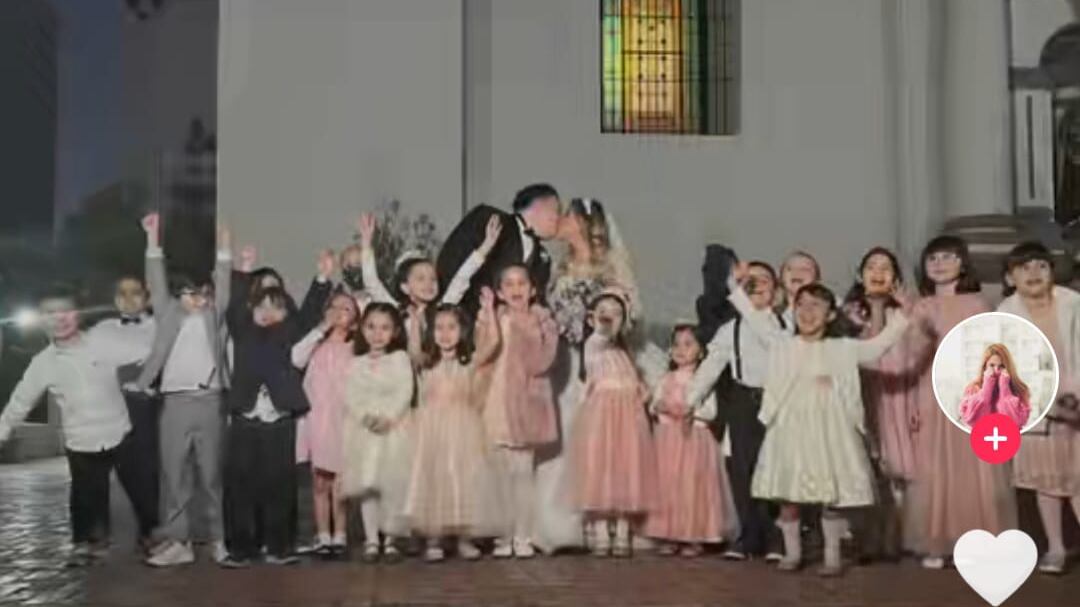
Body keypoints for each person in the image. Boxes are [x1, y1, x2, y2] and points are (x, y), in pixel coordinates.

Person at [728, 263, 911, 577]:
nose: (807, 312)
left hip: (829, 430)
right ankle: (793, 552)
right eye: (801, 305)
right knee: (789, 493)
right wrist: (737, 287)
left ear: (830, 315)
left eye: (816, 306)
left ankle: (832, 554)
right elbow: (754, 319)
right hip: (790, 428)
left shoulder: (842, 348)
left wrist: (903, 315)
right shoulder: (782, 343)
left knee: (830, 494)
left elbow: (878, 347)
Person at [0, 285, 154, 566]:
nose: (59, 318)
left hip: (120, 432)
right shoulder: (42, 364)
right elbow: (20, 401)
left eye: (65, 310)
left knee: (142, 490)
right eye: (50, 312)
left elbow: (147, 347)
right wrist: (2, 432)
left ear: (78, 315)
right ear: (42, 319)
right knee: (85, 497)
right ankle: (88, 542)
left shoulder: (102, 342)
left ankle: (150, 535)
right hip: (81, 441)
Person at [904, 235, 1016, 569]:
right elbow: (911, 357)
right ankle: (937, 542)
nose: (939, 264)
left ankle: (979, 541)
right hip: (930, 391)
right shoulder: (920, 307)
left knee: (976, 468)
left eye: (948, 257)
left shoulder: (978, 304)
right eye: (932, 258)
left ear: (962, 263)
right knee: (935, 466)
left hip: (971, 392)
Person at [219, 248, 332, 568]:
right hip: (245, 418)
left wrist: (322, 277)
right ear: (250, 309)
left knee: (280, 485)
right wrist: (243, 269)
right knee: (240, 484)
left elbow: (309, 315)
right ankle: (241, 548)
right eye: (261, 306)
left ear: (287, 313)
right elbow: (234, 309)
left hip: (279, 420)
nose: (268, 312)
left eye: (276, 307)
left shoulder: (289, 333)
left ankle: (279, 546)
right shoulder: (243, 332)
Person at [134, 213, 234, 567]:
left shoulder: (214, 316)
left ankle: (220, 540)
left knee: (212, 477)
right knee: (174, 476)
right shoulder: (168, 313)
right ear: (180, 294)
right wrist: (152, 240)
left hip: (209, 402)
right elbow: (155, 281)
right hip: (174, 404)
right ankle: (180, 543)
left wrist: (224, 249)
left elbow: (223, 284)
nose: (197, 299)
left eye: (202, 293)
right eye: (190, 293)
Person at [686, 261, 784, 562]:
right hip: (743, 400)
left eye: (763, 280)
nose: (755, 285)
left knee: (772, 469)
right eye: (749, 281)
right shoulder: (731, 329)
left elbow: (772, 342)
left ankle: (774, 537)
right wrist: (691, 399)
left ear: (776, 292)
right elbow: (712, 364)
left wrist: (737, 294)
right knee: (742, 470)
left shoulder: (783, 324)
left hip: (776, 399)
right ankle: (748, 535)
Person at [403, 297, 506, 561]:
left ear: (462, 331)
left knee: (464, 480)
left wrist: (488, 310)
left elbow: (493, 343)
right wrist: (416, 322)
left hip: (464, 429)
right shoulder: (426, 362)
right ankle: (434, 538)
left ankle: (464, 537)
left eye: (452, 327)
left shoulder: (468, 362)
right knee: (434, 480)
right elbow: (413, 348)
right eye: (439, 327)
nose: (445, 334)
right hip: (431, 431)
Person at [999, 241, 1080, 574]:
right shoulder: (1006, 313)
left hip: (1077, 400)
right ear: (1010, 277)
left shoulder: (1073, 304)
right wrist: (1050, 406)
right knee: (1047, 481)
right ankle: (1056, 548)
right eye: (1024, 268)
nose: (1033, 274)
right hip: (1037, 407)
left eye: (1041, 266)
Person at [564, 289, 657, 558]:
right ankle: (602, 529)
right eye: (603, 313)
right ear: (591, 319)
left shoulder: (625, 353)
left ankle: (624, 529)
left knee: (626, 469)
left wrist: (641, 390)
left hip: (628, 417)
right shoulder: (593, 346)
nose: (609, 318)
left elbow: (633, 380)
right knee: (602, 469)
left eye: (616, 314)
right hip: (603, 417)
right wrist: (602, 326)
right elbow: (600, 338)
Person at [840, 246, 915, 562]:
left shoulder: (908, 313)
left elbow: (911, 356)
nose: (878, 272)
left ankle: (895, 537)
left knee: (897, 471)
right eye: (871, 266)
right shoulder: (848, 314)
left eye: (886, 267)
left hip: (896, 395)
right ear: (860, 274)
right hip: (861, 396)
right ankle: (866, 538)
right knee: (864, 469)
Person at [482, 264, 560, 558]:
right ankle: (503, 535)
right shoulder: (498, 319)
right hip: (499, 400)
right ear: (500, 292)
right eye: (509, 284)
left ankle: (523, 535)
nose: (516, 289)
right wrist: (489, 313)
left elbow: (543, 362)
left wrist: (540, 331)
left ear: (533, 289)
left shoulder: (542, 322)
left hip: (528, 403)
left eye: (522, 283)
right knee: (501, 474)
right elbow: (485, 351)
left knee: (524, 472)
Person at [357, 211, 501, 362]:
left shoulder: (442, 308)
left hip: (434, 375)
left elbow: (461, 278)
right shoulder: (395, 311)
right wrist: (366, 244)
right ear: (405, 287)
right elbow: (372, 283)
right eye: (421, 279)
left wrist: (485, 247)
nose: (429, 284)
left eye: (433, 279)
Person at [645, 323, 736, 557]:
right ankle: (671, 533)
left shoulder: (702, 380)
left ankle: (694, 535)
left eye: (688, 344)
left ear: (702, 351)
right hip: (668, 440)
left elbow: (710, 411)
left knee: (692, 487)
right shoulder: (667, 378)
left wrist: (685, 409)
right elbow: (655, 404)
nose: (680, 350)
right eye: (676, 344)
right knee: (669, 486)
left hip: (694, 440)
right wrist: (660, 407)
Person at [85, 274, 160, 550]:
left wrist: (123, 370)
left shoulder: (159, 327)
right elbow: (90, 366)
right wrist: (130, 369)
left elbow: (159, 366)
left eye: (135, 292)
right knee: (102, 470)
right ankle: (97, 530)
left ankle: (149, 527)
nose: (128, 299)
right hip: (106, 404)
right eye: (122, 292)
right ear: (114, 298)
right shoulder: (100, 330)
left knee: (144, 471)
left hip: (143, 406)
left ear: (147, 296)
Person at [341, 302, 415, 563]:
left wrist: (390, 417)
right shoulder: (356, 362)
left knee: (392, 485)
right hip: (365, 431)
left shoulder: (400, 359)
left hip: (394, 429)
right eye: (371, 327)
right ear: (362, 329)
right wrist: (364, 417)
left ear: (395, 332)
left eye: (385, 328)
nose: (377, 334)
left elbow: (405, 391)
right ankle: (372, 539)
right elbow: (350, 394)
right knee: (368, 485)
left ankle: (392, 539)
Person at [292, 290, 361, 556]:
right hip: (317, 418)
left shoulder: (355, 350)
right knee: (320, 480)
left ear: (355, 320)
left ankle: (340, 534)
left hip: (343, 419)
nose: (339, 312)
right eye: (334, 307)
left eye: (347, 309)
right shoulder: (315, 345)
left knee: (341, 480)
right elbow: (295, 357)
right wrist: (320, 329)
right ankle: (322, 535)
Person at [436, 183, 562, 316]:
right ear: (538, 206)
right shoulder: (490, 220)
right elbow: (451, 262)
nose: (558, 218)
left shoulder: (543, 258)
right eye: (555, 210)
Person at [957, 343, 1032, 429]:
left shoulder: (1020, 389)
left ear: (1008, 367)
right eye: (992, 365)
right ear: (985, 366)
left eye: (1001, 366)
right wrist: (986, 390)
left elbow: (1016, 422)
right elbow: (971, 420)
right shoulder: (973, 388)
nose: (996, 370)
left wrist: (1005, 390)